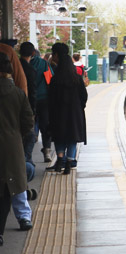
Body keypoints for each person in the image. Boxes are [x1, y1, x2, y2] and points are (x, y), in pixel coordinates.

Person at [0, 51, 34, 246]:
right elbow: (28, 120)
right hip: (12, 144)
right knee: (17, 181)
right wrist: (16, 134)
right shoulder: (18, 93)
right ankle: (24, 218)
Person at [46, 43, 87, 174]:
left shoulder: (55, 79)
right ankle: (69, 163)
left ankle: (59, 161)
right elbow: (84, 96)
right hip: (74, 113)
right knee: (72, 138)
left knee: (59, 137)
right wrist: (80, 107)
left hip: (58, 113)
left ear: (57, 55)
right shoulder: (76, 78)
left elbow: (50, 97)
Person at [22, 44, 53, 163]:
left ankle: (27, 156)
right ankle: (47, 151)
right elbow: (50, 80)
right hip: (43, 99)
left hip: (27, 100)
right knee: (45, 126)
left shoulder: (20, 64)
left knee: (28, 127)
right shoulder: (44, 64)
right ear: (34, 53)